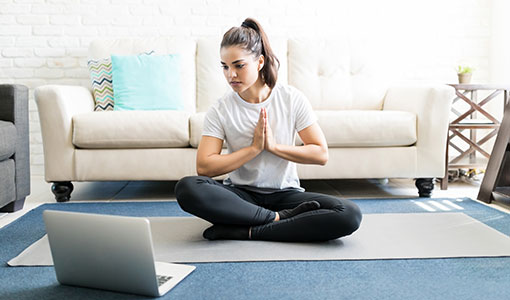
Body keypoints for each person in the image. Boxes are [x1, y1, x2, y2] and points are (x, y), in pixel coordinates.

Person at [174, 18, 362, 242]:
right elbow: (204, 167)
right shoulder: (221, 108)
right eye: (225, 67)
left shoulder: (291, 99)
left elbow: (320, 154)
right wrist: (253, 149)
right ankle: (276, 219)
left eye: (238, 65)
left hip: (286, 194)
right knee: (187, 187)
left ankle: (248, 230)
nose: (230, 75)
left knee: (349, 214)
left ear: (260, 62)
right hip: (240, 197)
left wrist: (273, 147)